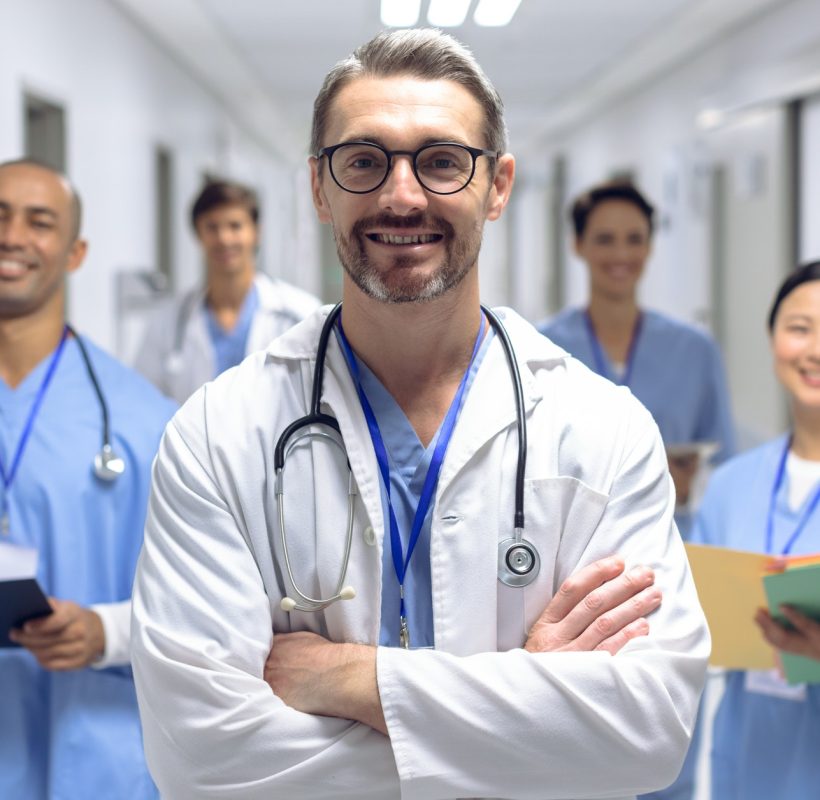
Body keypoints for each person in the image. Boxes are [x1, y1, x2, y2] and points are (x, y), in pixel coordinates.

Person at [131, 29, 709, 800]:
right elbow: (200, 757)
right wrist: (529, 714)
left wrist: (357, 680)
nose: (401, 195)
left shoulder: (602, 430)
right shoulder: (218, 435)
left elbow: (649, 730)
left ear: (497, 185)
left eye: (441, 161)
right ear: (318, 187)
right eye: (364, 161)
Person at [0, 159, 176, 798]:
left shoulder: (143, 420)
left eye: (38, 222)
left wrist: (104, 630)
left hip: (94, 753)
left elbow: (203, 607)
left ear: (74, 253)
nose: (13, 236)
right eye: (0, 215)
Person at [691, 261, 820, 799]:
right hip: (743, 771)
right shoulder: (729, 486)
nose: (814, 349)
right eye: (799, 328)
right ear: (772, 341)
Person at [539, 181, 736, 534]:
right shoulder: (542, 346)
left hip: (672, 537)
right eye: (604, 239)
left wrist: (691, 482)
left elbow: (726, 466)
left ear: (649, 247)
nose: (621, 255)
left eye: (634, 239)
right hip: (573, 539)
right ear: (578, 245)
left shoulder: (694, 349)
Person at [134, 179, 321, 403]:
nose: (224, 238)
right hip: (193, 439)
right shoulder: (168, 322)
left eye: (235, 226)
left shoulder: (301, 313)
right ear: (198, 234)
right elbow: (142, 400)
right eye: (212, 227)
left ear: (256, 232)